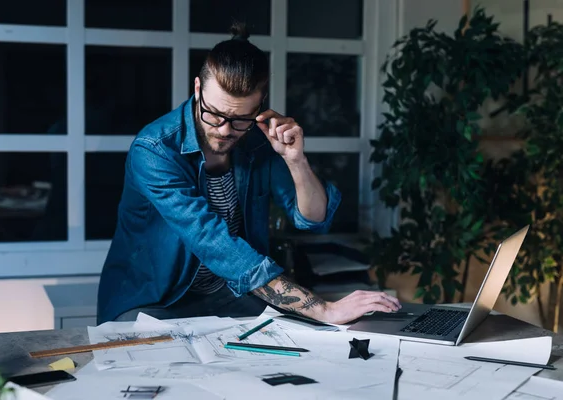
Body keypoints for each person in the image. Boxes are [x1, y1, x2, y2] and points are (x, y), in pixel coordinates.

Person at [96, 22, 401, 325]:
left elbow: (313, 220)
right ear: (198, 88)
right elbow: (212, 241)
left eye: (240, 119)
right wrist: (324, 309)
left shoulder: (257, 141)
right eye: (214, 114)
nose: (225, 130)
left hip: (229, 295)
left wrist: (295, 160)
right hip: (153, 301)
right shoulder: (155, 150)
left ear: (260, 105)